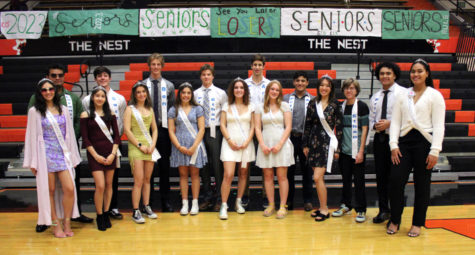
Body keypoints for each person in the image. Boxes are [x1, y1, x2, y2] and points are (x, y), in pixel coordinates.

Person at [28, 64, 91, 233]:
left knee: (70, 189)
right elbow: (31, 137)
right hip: (45, 155)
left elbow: (69, 133)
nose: (48, 92)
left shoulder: (63, 108)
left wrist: (74, 156)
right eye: (44, 90)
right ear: (39, 93)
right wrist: (33, 161)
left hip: (62, 154)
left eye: (50, 89)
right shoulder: (35, 111)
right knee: (50, 190)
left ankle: (67, 222)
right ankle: (55, 224)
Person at [387, 59, 445, 237]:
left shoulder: (435, 95)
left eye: (419, 71)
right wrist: (393, 145)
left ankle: (418, 223)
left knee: (422, 184)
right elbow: (395, 121)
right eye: (413, 71)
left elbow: (439, 125)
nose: (416, 74)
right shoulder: (403, 95)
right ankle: (395, 219)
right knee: (396, 181)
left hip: (424, 144)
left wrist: (435, 150)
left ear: (427, 73)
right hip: (403, 143)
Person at [82, 66, 127, 220]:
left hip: (113, 143)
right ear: (95, 79)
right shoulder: (87, 100)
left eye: (105, 75)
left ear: (109, 78)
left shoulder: (120, 98)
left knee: (112, 180)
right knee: (101, 183)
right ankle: (101, 212)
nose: (102, 78)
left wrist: (115, 145)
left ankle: (112, 208)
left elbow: (120, 120)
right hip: (95, 145)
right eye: (99, 76)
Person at [369, 62, 407, 224]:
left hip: (398, 141)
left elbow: (409, 117)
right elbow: (371, 119)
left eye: (388, 73)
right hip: (380, 140)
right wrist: (376, 126)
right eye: (382, 73)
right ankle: (383, 210)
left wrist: (390, 123)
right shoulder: (375, 96)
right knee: (381, 177)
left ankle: (396, 212)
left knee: (396, 178)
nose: (384, 76)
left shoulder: (404, 93)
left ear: (395, 75)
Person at [303, 76, 343, 222]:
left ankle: (325, 210)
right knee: (318, 179)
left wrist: (337, 149)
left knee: (317, 177)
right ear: (318, 87)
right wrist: (305, 144)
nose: (324, 88)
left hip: (328, 144)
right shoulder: (313, 103)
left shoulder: (335, 104)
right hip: (314, 143)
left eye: (327, 86)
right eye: (322, 85)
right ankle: (321, 207)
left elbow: (339, 128)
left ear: (331, 88)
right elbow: (307, 125)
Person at [80, 86, 120, 231]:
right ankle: (99, 214)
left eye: (102, 96)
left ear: (105, 98)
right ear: (92, 97)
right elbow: (85, 139)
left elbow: (117, 136)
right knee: (100, 186)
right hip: (94, 155)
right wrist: (96, 156)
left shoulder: (111, 113)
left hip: (110, 153)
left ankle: (105, 213)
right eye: (97, 95)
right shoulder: (86, 114)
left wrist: (112, 154)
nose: (100, 98)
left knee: (109, 185)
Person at [331, 78, 369, 223]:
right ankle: (346, 205)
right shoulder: (341, 106)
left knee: (359, 181)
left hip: (357, 151)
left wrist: (361, 151)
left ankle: (361, 209)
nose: (349, 90)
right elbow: (337, 129)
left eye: (352, 88)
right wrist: (337, 149)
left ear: (356, 90)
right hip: (344, 151)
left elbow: (365, 130)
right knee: (345, 180)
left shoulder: (362, 106)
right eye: (347, 88)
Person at [255, 80, 294, 219]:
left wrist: (280, 144)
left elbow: (288, 127)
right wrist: (262, 144)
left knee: (282, 177)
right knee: (268, 176)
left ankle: (283, 206)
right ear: (268, 91)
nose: (274, 92)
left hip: (281, 144)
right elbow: (257, 128)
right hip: (265, 143)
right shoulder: (260, 107)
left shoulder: (284, 105)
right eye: (272, 89)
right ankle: (271, 204)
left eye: (277, 90)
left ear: (280, 92)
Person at [168, 83, 207, 216]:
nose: (186, 95)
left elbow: (201, 128)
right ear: (180, 94)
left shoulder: (198, 109)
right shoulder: (173, 109)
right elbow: (171, 130)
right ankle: (185, 203)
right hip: (180, 145)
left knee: (195, 175)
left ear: (192, 94)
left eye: (188, 93)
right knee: (183, 175)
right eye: (183, 93)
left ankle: (195, 203)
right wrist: (179, 146)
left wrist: (194, 146)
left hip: (195, 145)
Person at [219, 78, 255, 220]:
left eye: (241, 87)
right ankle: (224, 205)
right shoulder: (226, 105)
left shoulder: (251, 106)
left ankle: (238, 202)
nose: (239, 90)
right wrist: (229, 140)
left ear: (245, 90)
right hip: (229, 143)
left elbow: (253, 126)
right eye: (236, 88)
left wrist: (247, 141)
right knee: (228, 174)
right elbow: (222, 124)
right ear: (232, 90)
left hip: (246, 145)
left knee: (243, 173)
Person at [143, 53, 175, 212]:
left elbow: (172, 109)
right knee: (147, 168)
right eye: (153, 64)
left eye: (158, 64)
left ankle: (166, 201)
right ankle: (147, 201)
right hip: (146, 131)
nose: (155, 67)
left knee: (164, 167)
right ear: (149, 66)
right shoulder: (142, 85)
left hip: (162, 131)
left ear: (162, 66)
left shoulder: (169, 86)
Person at [124, 82, 160, 224]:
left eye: (143, 92)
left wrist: (152, 145)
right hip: (136, 146)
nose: (141, 94)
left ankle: (146, 206)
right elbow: (127, 130)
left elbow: (155, 129)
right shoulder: (129, 109)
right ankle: (135, 210)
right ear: (134, 94)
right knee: (138, 180)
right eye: (138, 92)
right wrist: (139, 145)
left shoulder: (149, 109)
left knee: (147, 179)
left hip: (149, 146)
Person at [194, 64, 228, 212]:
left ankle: (220, 198)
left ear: (213, 76)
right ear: (200, 76)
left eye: (208, 74)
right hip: (200, 131)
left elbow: (225, 114)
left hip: (216, 131)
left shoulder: (221, 93)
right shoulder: (195, 94)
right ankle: (207, 197)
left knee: (217, 166)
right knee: (204, 166)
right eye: (203, 75)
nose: (206, 77)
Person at [283, 71, 315, 211]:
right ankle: (289, 200)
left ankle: (307, 200)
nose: (300, 83)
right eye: (297, 80)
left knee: (307, 172)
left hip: (305, 140)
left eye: (303, 80)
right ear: (293, 82)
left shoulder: (313, 100)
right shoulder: (286, 98)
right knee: (288, 172)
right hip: (290, 138)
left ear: (307, 83)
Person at [244, 54, 270, 207]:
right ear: (251, 66)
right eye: (255, 64)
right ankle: (245, 194)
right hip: (247, 125)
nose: (257, 67)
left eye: (260, 64)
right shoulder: (244, 84)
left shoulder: (269, 84)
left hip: (264, 126)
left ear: (264, 66)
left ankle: (266, 194)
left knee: (265, 161)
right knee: (246, 162)